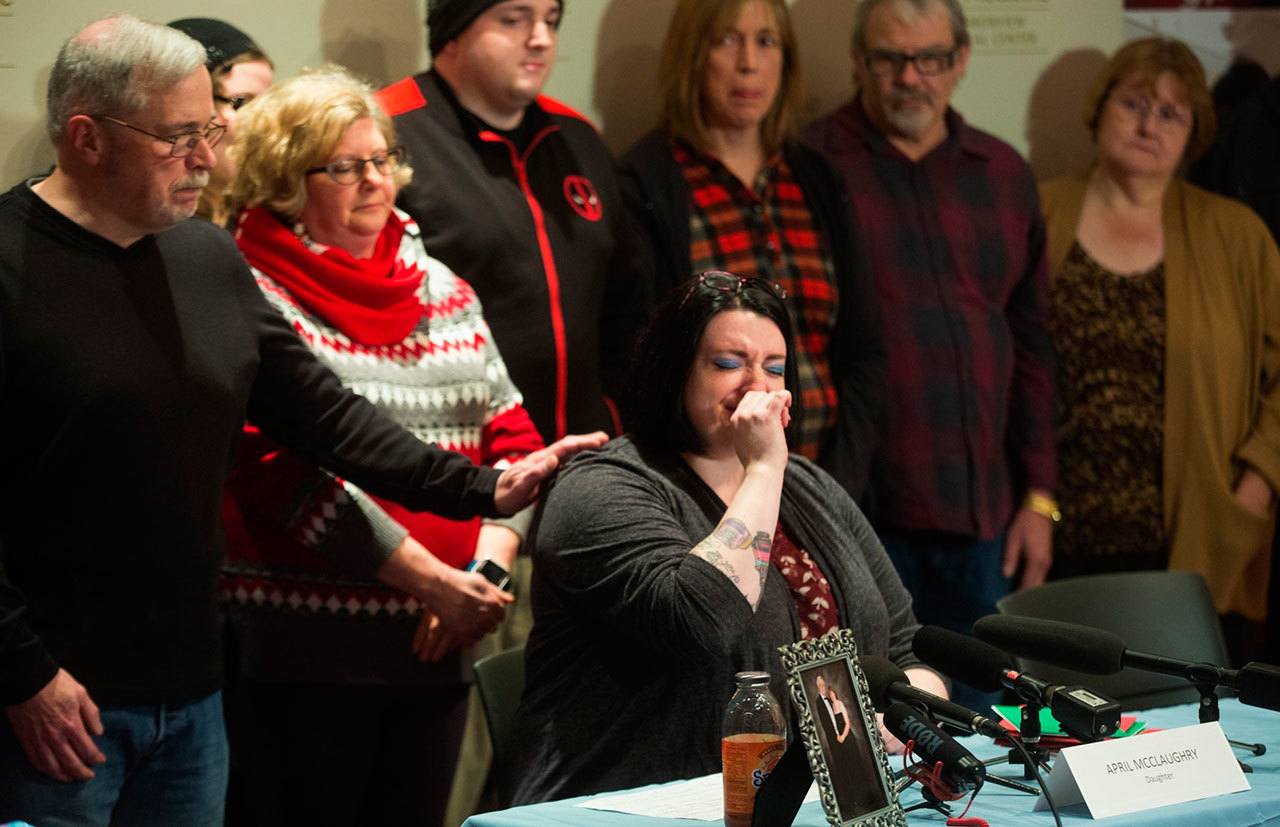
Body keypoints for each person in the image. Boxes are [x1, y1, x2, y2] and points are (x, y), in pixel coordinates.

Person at [0, 17, 601, 826]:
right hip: (54, 704)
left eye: (211, 130)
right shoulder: (11, 265)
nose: (209, 160)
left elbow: (326, 418)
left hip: (192, 694)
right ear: (86, 138)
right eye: (180, 137)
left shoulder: (205, 261)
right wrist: (22, 674)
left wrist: (487, 488)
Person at [216, 66, 545, 825]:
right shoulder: (250, 289)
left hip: (440, 643)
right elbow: (274, 468)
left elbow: (515, 443)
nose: (374, 180)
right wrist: (428, 577)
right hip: (302, 655)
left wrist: (482, 576)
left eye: (380, 159)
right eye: (344, 166)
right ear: (284, 179)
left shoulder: (443, 286)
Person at [505, 271, 946, 804]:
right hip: (635, 806)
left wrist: (911, 721)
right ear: (674, 374)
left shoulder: (809, 485)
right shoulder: (600, 487)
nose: (757, 386)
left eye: (775, 369)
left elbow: (902, 644)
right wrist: (762, 469)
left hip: (810, 806)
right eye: (729, 364)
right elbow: (699, 623)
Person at [803, 0, 1056, 705]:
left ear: (962, 60)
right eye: (890, 58)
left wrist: (1041, 494)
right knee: (873, 742)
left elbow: (1033, 343)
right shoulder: (814, 164)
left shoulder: (1003, 172)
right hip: (860, 514)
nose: (910, 77)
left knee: (985, 741)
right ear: (860, 61)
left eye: (931, 59)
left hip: (983, 523)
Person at [1039, 38, 1280, 661]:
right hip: (1059, 536)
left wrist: (1257, 483)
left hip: (1200, 535)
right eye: (1135, 103)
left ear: (1195, 130)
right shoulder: (1038, 212)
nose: (1149, 124)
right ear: (1101, 108)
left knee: (1195, 733)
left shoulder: (1239, 235)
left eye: (1172, 113)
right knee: (1068, 729)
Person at [618, 0, 884, 498]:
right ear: (693, 56)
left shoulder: (817, 177)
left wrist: (837, 486)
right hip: (704, 492)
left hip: (826, 483)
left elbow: (862, 350)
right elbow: (641, 360)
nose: (749, 63)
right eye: (726, 40)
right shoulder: (649, 181)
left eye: (766, 42)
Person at [376, 0, 648, 443]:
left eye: (551, 21)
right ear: (454, 31)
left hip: (587, 457)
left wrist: (613, 417)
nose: (540, 38)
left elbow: (629, 305)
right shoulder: (385, 134)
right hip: (456, 466)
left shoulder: (578, 137)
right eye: (514, 19)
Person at [168, 18, 274, 226]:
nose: (267, 123)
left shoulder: (266, 217)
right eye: (241, 102)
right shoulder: (159, 227)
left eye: (270, 104)